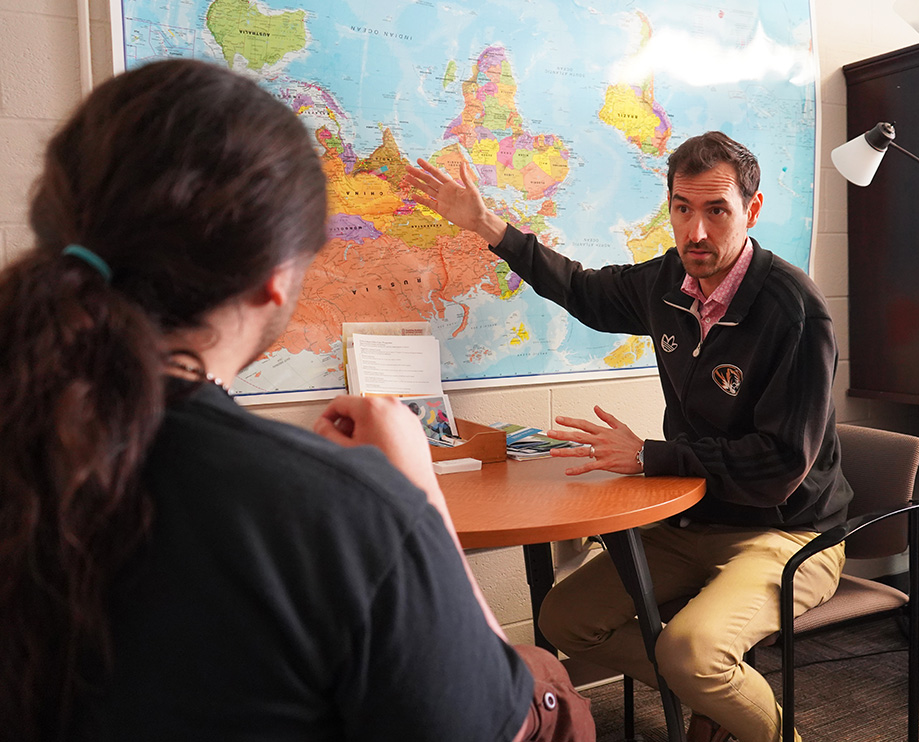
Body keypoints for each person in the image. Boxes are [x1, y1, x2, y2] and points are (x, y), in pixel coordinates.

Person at [0, 59, 593, 742]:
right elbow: (485, 726)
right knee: (551, 690)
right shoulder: (340, 513)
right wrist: (418, 498)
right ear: (276, 280)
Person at [404, 131, 853, 742]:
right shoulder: (670, 283)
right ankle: (717, 699)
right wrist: (491, 228)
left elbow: (778, 465)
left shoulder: (792, 308)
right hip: (693, 517)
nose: (696, 232)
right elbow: (584, 291)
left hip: (788, 531)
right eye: (682, 208)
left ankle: (732, 703)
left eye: (716, 210)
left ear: (751, 210)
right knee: (563, 620)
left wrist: (649, 456)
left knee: (692, 653)